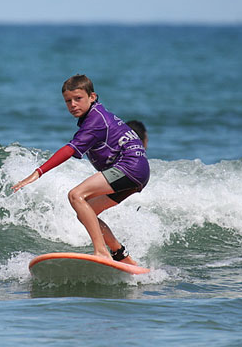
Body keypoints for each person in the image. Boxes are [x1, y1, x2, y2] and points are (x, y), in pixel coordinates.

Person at [12, 74, 149, 265]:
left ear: (92, 96)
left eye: (78, 99)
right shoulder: (98, 115)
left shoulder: (95, 120)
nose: (73, 105)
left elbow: (69, 149)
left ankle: (101, 252)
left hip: (129, 167)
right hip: (139, 172)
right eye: (68, 101)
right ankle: (122, 256)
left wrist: (38, 172)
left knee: (76, 195)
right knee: (87, 212)